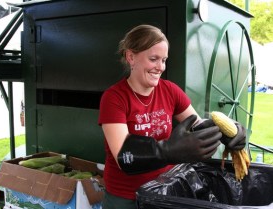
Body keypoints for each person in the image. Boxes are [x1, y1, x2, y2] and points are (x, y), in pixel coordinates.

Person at [98, 24, 246, 209]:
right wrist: (166, 150)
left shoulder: (169, 90)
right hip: (126, 196)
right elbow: (123, 155)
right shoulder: (114, 97)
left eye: (164, 60)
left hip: (164, 190)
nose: (160, 67)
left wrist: (226, 130)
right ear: (131, 57)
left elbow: (196, 123)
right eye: (154, 59)